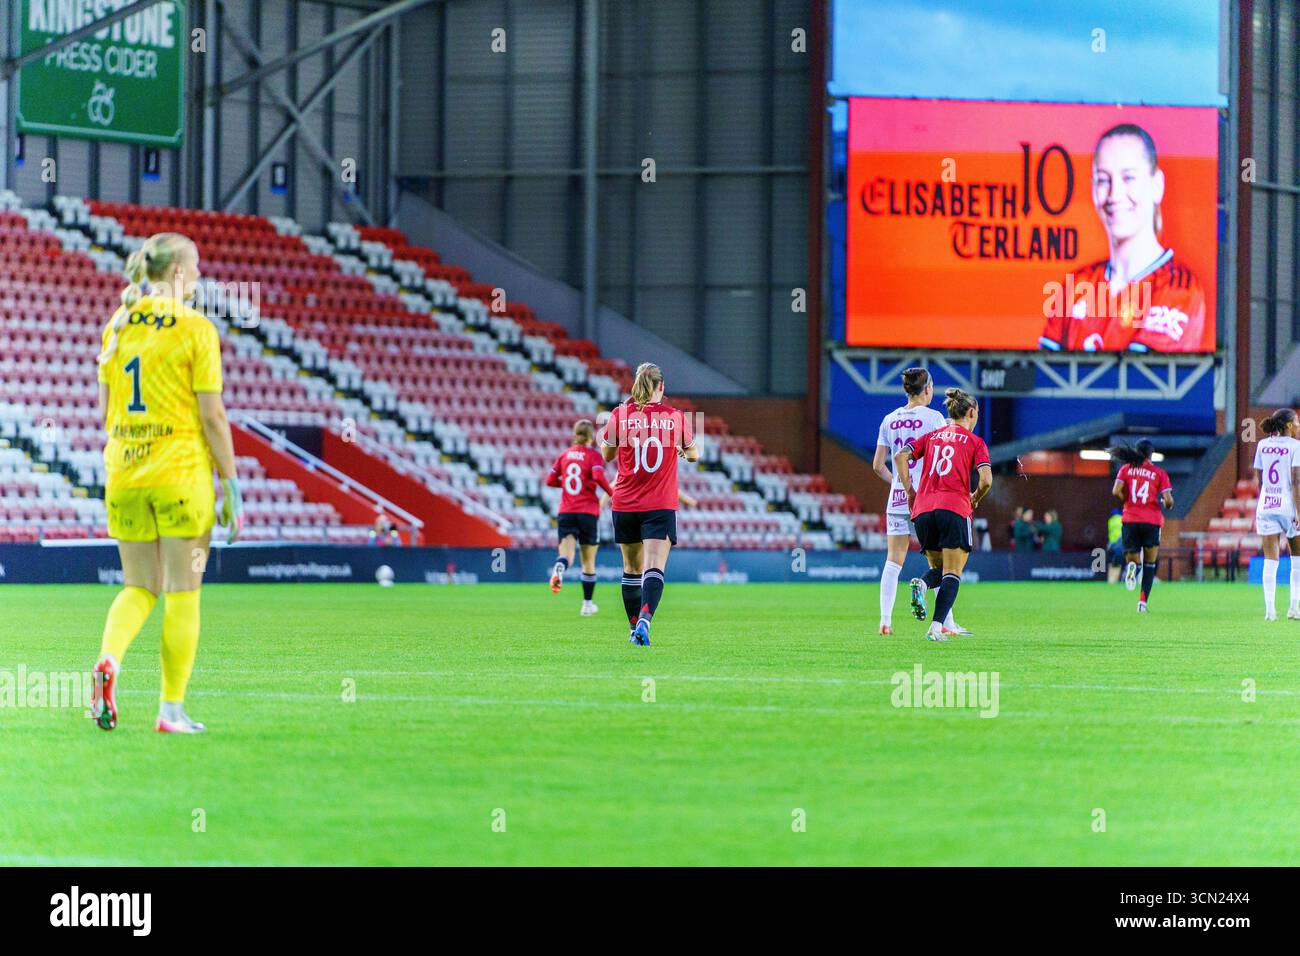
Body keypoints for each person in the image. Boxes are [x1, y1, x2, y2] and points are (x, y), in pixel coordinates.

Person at [89, 233, 243, 734]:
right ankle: (171, 711)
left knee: (138, 586)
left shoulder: (117, 325)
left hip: (125, 472)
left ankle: (109, 661)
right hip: (179, 474)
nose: (199, 276)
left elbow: (104, 411)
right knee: (183, 591)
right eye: (195, 266)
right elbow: (213, 416)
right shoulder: (196, 328)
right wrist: (232, 486)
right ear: (176, 271)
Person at [1039, 123, 1206, 353]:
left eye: (1128, 178)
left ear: (1156, 185)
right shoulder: (1076, 286)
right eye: (1103, 180)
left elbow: (1138, 381)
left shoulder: (1180, 288)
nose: (1114, 195)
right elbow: (1042, 378)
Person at [600, 363, 700, 646]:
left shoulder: (620, 414)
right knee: (654, 566)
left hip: (625, 504)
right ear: (662, 387)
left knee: (631, 568)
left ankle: (633, 629)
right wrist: (682, 449)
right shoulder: (675, 417)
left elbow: (607, 454)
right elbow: (694, 454)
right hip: (659, 504)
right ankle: (645, 618)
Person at [872, 367, 969, 636]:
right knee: (939, 564)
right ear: (926, 389)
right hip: (926, 499)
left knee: (893, 561)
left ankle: (885, 621)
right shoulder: (935, 418)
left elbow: (878, 465)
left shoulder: (889, 420)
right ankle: (946, 623)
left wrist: (898, 484)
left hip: (898, 498)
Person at [894, 388, 993, 642]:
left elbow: (901, 456)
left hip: (924, 510)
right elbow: (986, 481)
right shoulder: (975, 442)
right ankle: (936, 627)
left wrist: (910, 491)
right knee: (953, 572)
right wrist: (974, 498)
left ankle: (923, 585)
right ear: (972, 412)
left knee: (938, 568)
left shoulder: (932, 436)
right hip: (954, 508)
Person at [544, 418, 613, 616]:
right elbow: (599, 477)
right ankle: (587, 605)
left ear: (575, 435)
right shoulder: (593, 456)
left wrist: (567, 484)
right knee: (588, 562)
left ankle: (559, 567)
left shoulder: (564, 455)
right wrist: (612, 493)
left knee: (566, 555)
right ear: (591, 436)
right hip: (587, 512)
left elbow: (550, 480)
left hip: (566, 512)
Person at [1110, 439, 1173, 612]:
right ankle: (1142, 603)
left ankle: (1132, 567)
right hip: (1151, 521)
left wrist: (1128, 502)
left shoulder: (1126, 469)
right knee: (1150, 564)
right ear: (1151, 454)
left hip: (1130, 518)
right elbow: (1168, 501)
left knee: (1133, 558)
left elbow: (1115, 491)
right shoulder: (1159, 473)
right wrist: (1166, 504)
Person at [1252, 408, 1300, 620]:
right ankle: (1294, 608)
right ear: (1288, 425)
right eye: (1297, 422)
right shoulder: (1296, 446)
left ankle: (1270, 610)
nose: (1299, 425)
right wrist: (1299, 510)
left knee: (1270, 560)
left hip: (1266, 505)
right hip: (1288, 507)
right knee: (1297, 559)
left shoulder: (1262, 445)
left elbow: (1260, 479)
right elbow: (1297, 481)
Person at [1106, 508, 1124, 583]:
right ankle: (1115, 579)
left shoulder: (1110, 521)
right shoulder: (1122, 520)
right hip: (1119, 546)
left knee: (1111, 563)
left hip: (1111, 545)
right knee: (1118, 564)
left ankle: (1110, 580)